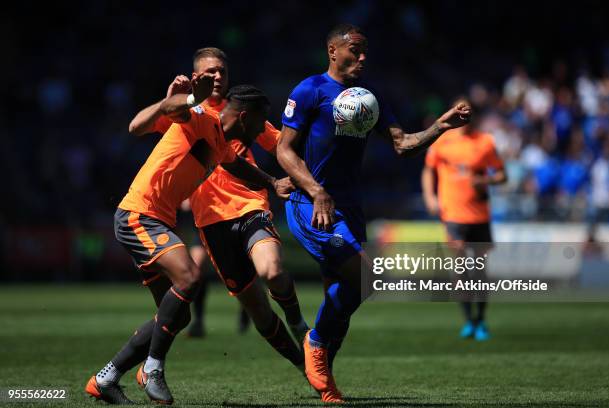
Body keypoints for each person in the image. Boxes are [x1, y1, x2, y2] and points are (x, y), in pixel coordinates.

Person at [277, 23, 472, 403]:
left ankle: (322, 374)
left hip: (349, 207)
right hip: (311, 205)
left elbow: (402, 144)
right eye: (355, 49)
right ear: (333, 51)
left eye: (366, 50)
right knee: (364, 276)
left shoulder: (369, 97)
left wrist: (440, 127)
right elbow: (285, 150)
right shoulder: (310, 90)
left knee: (346, 292)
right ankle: (314, 345)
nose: (363, 56)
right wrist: (315, 190)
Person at [86, 76, 291, 405]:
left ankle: (106, 378)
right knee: (190, 276)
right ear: (244, 117)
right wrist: (187, 98)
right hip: (140, 214)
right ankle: (153, 368)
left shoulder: (221, 143)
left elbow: (237, 166)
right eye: (258, 123)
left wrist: (272, 182)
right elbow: (163, 114)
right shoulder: (201, 119)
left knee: (178, 316)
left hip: (156, 219)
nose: (258, 132)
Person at [128, 47, 309, 377]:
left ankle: (297, 322)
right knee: (254, 309)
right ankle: (304, 365)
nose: (217, 77)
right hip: (210, 222)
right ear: (196, 75)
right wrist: (174, 100)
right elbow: (138, 126)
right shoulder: (187, 112)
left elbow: (281, 145)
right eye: (210, 72)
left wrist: (300, 175)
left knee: (271, 271)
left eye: (222, 72)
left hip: (249, 206)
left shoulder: (242, 111)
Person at [422, 101, 506, 341]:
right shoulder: (443, 141)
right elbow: (429, 170)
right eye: (460, 112)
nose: (464, 117)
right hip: (453, 215)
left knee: (479, 270)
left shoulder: (485, 142)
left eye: (468, 113)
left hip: (480, 214)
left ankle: (481, 320)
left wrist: (486, 181)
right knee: (460, 269)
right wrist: (430, 197)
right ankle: (468, 320)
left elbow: (502, 174)